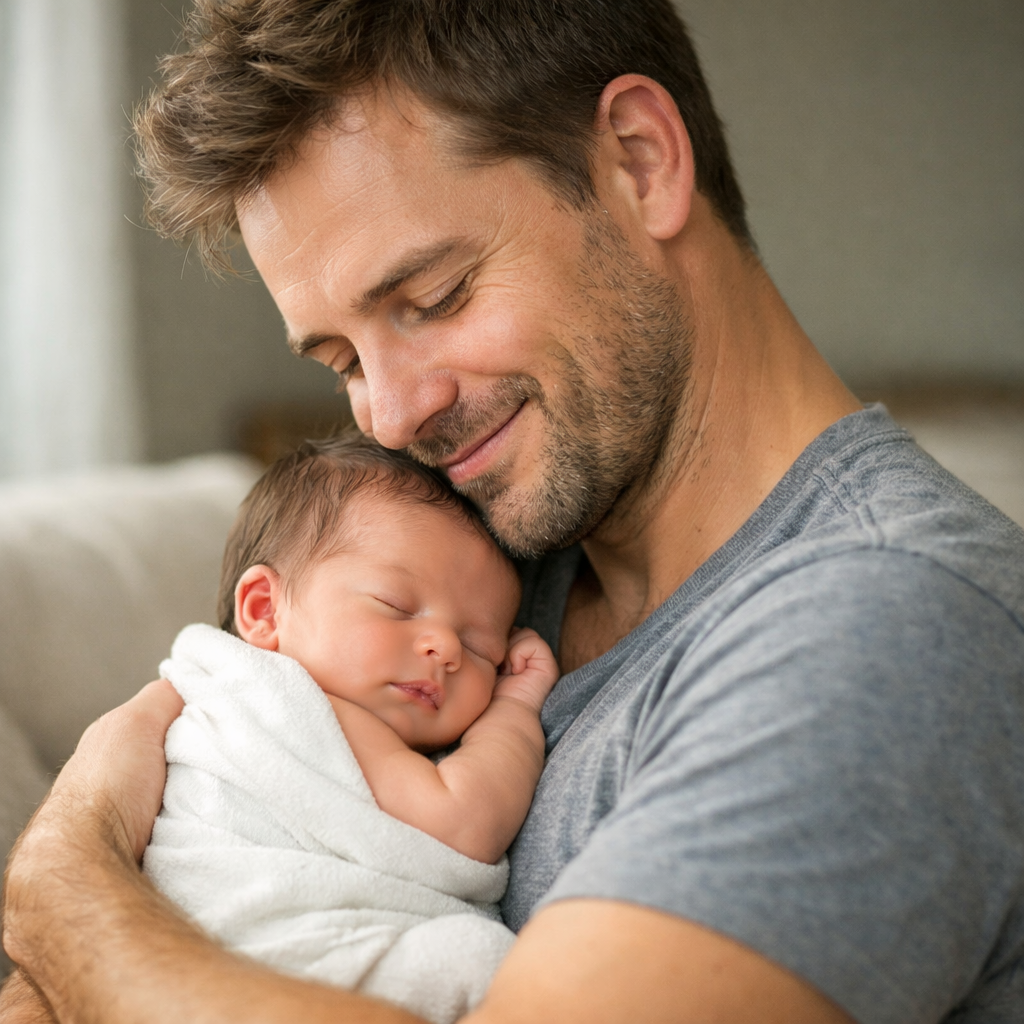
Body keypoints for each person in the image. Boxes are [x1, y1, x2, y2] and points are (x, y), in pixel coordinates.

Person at [3, 2, 1023, 1022]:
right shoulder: (476, 555)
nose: (393, 415)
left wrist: (63, 881)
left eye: (437, 295)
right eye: (344, 360)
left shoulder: (888, 625)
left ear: (638, 160)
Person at [142, 433, 557, 1024]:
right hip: (262, 957)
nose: (444, 649)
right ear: (264, 611)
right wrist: (515, 709)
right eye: (396, 606)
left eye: (479, 646)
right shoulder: (298, 708)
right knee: (470, 960)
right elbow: (464, 822)